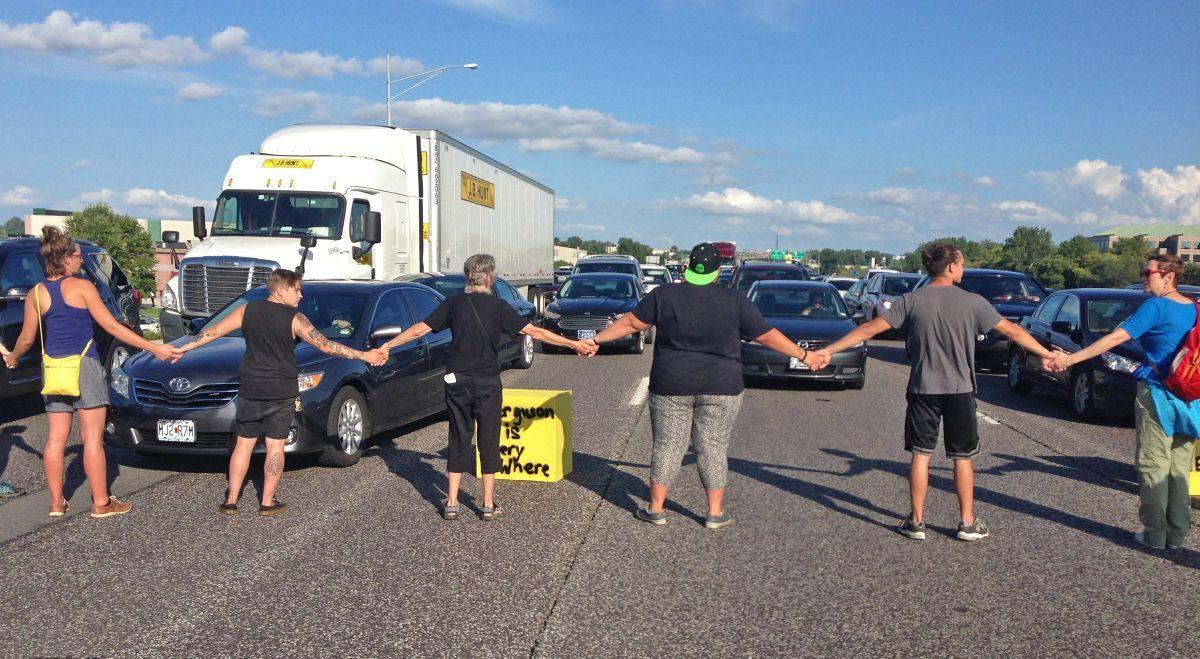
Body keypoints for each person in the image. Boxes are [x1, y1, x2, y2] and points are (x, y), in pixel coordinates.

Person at [815, 244, 1057, 542]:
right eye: (962, 264)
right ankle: (967, 523)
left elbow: (868, 330)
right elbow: (1013, 332)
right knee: (962, 457)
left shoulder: (912, 300)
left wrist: (827, 351)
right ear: (951, 266)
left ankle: (916, 522)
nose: (963, 269)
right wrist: (1046, 354)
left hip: (923, 388)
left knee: (921, 455)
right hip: (960, 390)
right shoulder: (973, 302)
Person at [587, 243, 823, 529]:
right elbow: (766, 335)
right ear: (718, 271)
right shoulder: (734, 300)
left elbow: (631, 323)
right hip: (722, 385)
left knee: (668, 445)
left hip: (671, 383)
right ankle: (714, 513)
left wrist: (596, 340)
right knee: (712, 447)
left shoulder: (665, 295)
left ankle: (656, 509)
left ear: (688, 268)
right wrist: (804, 355)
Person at [377, 254, 594, 521]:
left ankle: (452, 502)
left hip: (457, 379)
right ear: (489, 278)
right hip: (487, 382)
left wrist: (387, 346)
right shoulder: (499, 307)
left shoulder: (453, 304)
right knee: (488, 438)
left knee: (459, 434)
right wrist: (574, 344)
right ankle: (488, 504)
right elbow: (536, 333)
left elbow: (419, 330)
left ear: (468, 277)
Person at [177, 269, 387, 516]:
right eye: (296, 290)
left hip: (251, 388)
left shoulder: (247, 310)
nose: (300, 295)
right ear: (280, 290)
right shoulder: (295, 319)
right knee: (275, 445)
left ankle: (231, 500)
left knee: (243, 444)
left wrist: (182, 349)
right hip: (281, 390)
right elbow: (326, 346)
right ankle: (267, 502)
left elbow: (212, 332)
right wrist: (364, 355)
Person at [4, 226, 180, 518]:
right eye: (78, 255)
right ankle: (101, 502)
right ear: (65, 259)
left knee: (55, 438)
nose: (82, 259)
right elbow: (112, 327)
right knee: (92, 439)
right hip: (84, 365)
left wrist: (13, 357)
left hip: (54, 368)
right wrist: (155, 348)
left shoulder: (36, 293)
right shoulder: (82, 288)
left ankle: (57, 502)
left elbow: (26, 339)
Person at [1045, 254, 1197, 550]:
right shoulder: (1193, 307)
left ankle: (1154, 535)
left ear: (1168, 276)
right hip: (1190, 397)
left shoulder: (1156, 306)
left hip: (1158, 394)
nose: (1143, 277)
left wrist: (1070, 359)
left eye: (1148, 272)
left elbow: (1115, 339)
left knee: (1153, 465)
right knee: (1179, 469)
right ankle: (1177, 536)